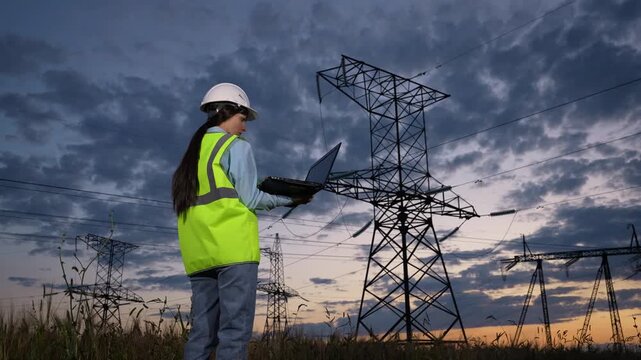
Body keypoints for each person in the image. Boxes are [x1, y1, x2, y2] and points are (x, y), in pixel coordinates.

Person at [172, 83, 311, 360]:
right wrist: (290, 199)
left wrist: (265, 185)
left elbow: (223, 188)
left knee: (201, 335)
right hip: (233, 250)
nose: (244, 128)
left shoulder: (194, 153)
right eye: (243, 119)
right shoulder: (236, 146)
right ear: (228, 112)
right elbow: (249, 199)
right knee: (234, 334)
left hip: (199, 254)